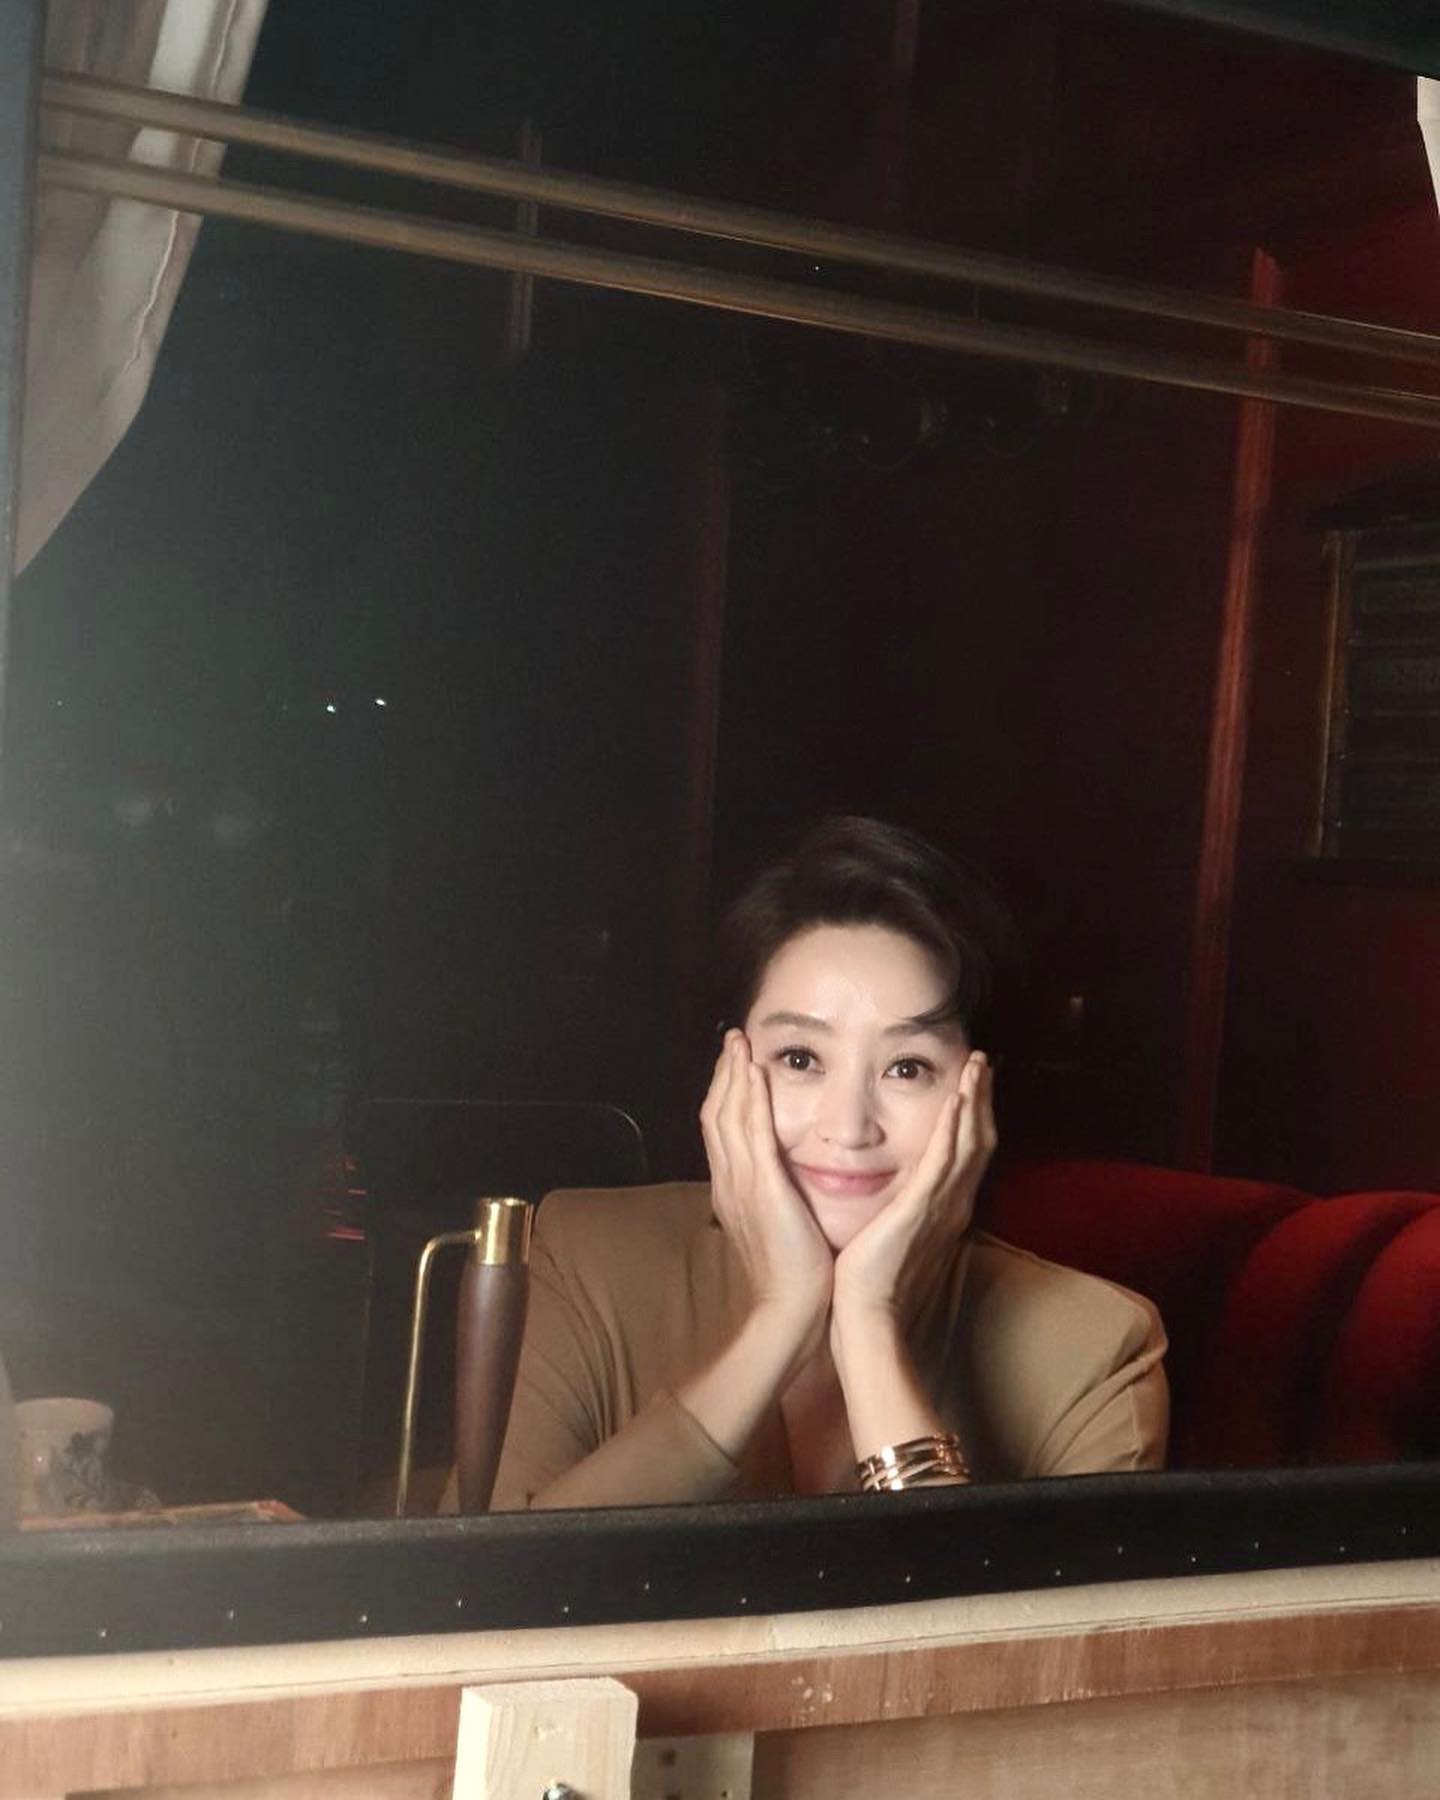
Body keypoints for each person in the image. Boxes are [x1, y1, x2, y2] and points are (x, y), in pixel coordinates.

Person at [482, 817, 1168, 1511]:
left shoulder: (1097, 1350)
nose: (847, 1128)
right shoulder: (587, 1255)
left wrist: (869, 1322)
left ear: (979, 1095)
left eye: (907, 1068)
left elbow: (995, 1595)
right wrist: (781, 1319)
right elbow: (494, 1574)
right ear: (730, 1069)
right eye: (800, 1058)